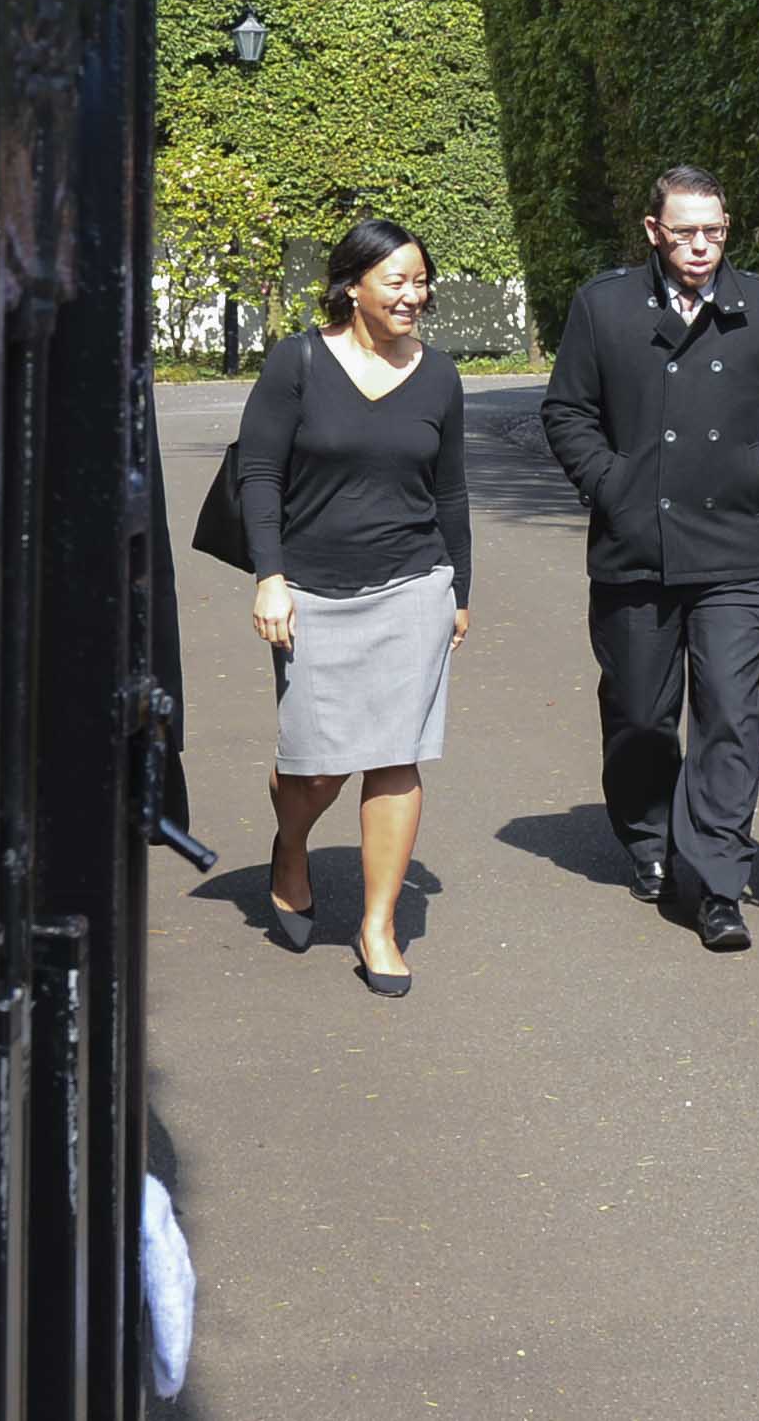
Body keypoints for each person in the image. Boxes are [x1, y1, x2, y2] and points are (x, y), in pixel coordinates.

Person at [540, 165, 759, 952]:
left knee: (731, 718)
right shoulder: (602, 306)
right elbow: (565, 410)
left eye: (714, 230)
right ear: (652, 231)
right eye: (685, 232)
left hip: (737, 546)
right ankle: (647, 837)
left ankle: (715, 881)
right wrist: (614, 484)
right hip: (634, 546)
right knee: (639, 712)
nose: (701, 246)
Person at [231, 219, 474, 999]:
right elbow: (260, 473)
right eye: (397, 280)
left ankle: (378, 924)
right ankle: (291, 846)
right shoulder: (298, 361)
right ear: (353, 287)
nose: (414, 293)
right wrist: (270, 574)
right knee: (316, 765)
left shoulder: (439, 376)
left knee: (396, 754)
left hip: (412, 583)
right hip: (311, 587)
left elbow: (451, 491)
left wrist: (458, 592)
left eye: (420, 279)